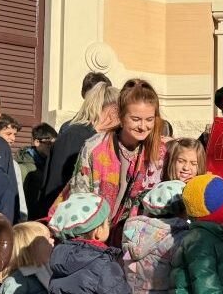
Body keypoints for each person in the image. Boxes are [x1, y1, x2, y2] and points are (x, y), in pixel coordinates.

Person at [54, 80, 166, 246]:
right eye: (136, 119)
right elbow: (80, 195)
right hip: (94, 238)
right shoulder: (94, 147)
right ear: (120, 115)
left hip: (136, 243)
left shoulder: (160, 153)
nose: (143, 126)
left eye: (149, 119)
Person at [36, 83, 119, 220]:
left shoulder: (102, 138)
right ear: (113, 111)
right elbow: (55, 185)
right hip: (63, 219)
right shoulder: (74, 136)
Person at [18, 123, 57, 211]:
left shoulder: (50, 162)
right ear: (37, 142)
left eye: (54, 144)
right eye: (48, 143)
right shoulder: (23, 167)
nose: (52, 147)